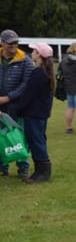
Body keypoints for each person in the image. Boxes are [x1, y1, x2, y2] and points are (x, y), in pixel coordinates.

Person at [13, 43, 54, 183]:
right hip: (41, 113)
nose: (32, 53)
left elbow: (29, 94)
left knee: (36, 141)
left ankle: (43, 173)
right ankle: (40, 171)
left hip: (34, 113)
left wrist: (18, 108)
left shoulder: (38, 73)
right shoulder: (46, 72)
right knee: (39, 140)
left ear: (39, 55)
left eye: (34, 51)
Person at [0, 29, 34, 180]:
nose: (14, 46)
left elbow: (27, 83)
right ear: (2, 43)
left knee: (20, 136)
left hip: (17, 105)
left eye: (16, 43)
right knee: (1, 137)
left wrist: (8, 97)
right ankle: (3, 166)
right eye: (10, 43)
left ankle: (23, 167)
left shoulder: (25, 60)